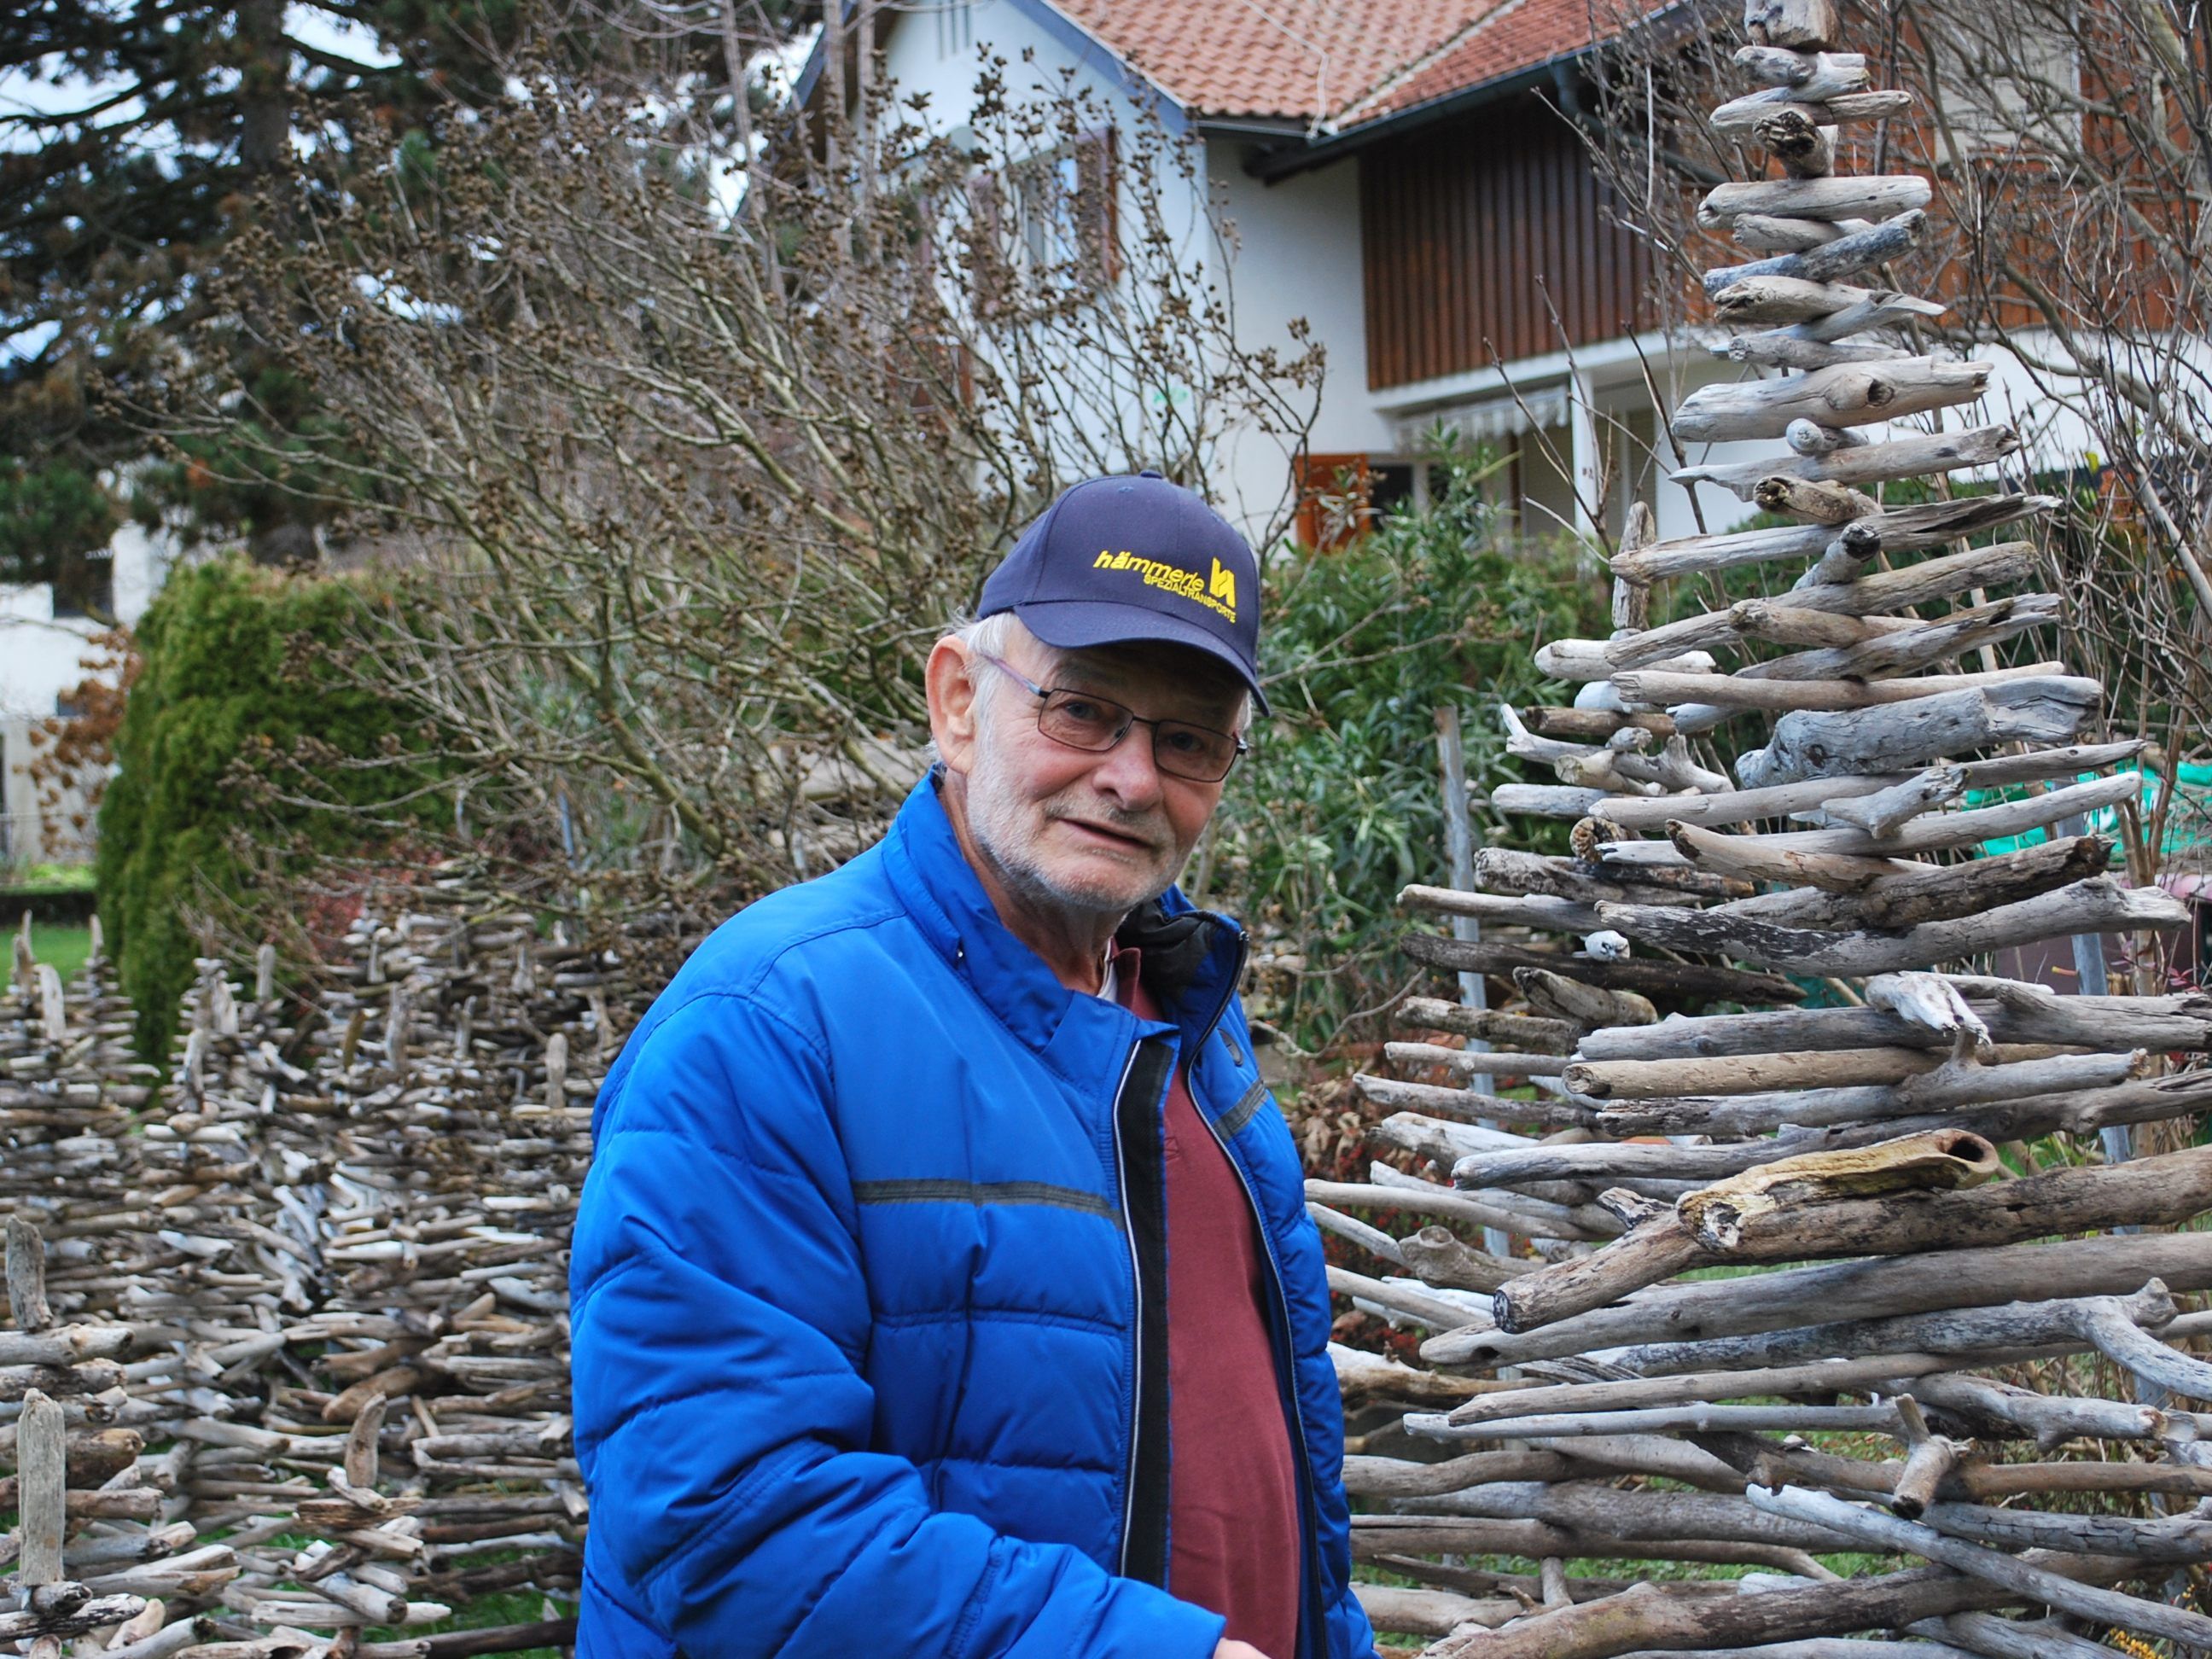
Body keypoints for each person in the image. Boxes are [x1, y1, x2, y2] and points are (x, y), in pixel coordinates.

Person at [570, 471, 1377, 1659]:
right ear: (957, 699)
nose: (1133, 776)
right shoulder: (771, 1022)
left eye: (1188, 740)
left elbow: (1274, 1455)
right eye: (1083, 710)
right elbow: (722, 1516)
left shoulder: (1186, 1016)